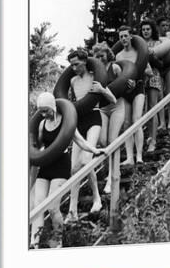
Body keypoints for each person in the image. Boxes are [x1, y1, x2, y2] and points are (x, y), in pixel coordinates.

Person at [29, 92, 104, 247]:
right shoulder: (42, 124)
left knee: (52, 207)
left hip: (61, 165)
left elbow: (80, 141)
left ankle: (58, 240)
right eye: (41, 111)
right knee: (38, 205)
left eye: (46, 110)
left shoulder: (66, 122)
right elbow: (39, 146)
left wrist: (94, 150)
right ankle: (34, 243)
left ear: (53, 107)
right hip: (46, 165)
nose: (44, 114)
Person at [65, 48, 107, 223]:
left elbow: (106, 97)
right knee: (74, 168)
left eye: (77, 64)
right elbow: (74, 102)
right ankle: (72, 210)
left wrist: (103, 90)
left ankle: (97, 199)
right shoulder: (73, 81)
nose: (74, 68)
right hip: (79, 122)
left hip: (94, 118)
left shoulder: (94, 76)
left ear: (85, 61)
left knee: (86, 161)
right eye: (71, 65)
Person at [92, 42, 125, 193]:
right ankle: (109, 170)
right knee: (102, 141)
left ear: (107, 54)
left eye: (102, 55)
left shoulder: (115, 67)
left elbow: (123, 84)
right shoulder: (95, 72)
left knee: (112, 140)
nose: (100, 58)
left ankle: (112, 178)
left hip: (117, 106)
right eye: (97, 56)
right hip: (103, 108)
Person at [115, 26, 149, 165]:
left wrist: (137, 76)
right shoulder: (118, 56)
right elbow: (117, 75)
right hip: (125, 90)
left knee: (137, 120)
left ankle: (139, 156)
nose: (123, 39)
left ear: (130, 37)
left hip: (138, 87)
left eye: (125, 36)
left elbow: (149, 71)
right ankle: (129, 157)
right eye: (121, 36)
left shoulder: (138, 52)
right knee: (126, 123)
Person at [140, 19, 163, 153]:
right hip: (141, 77)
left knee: (152, 107)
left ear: (152, 30)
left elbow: (161, 63)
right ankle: (148, 136)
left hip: (153, 75)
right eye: (143, 30)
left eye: (148, 29)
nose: (146, 32)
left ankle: (153, 140)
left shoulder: (158, 43)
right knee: (144, 110)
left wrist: (151, 56)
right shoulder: (139, 44)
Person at [156, 17, 170, 135]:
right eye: (163, 25)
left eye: (167, 25)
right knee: (160, 96)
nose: (165, 28)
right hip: (159, 68)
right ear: (158, 27)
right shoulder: (156, 40)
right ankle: (162, 123)